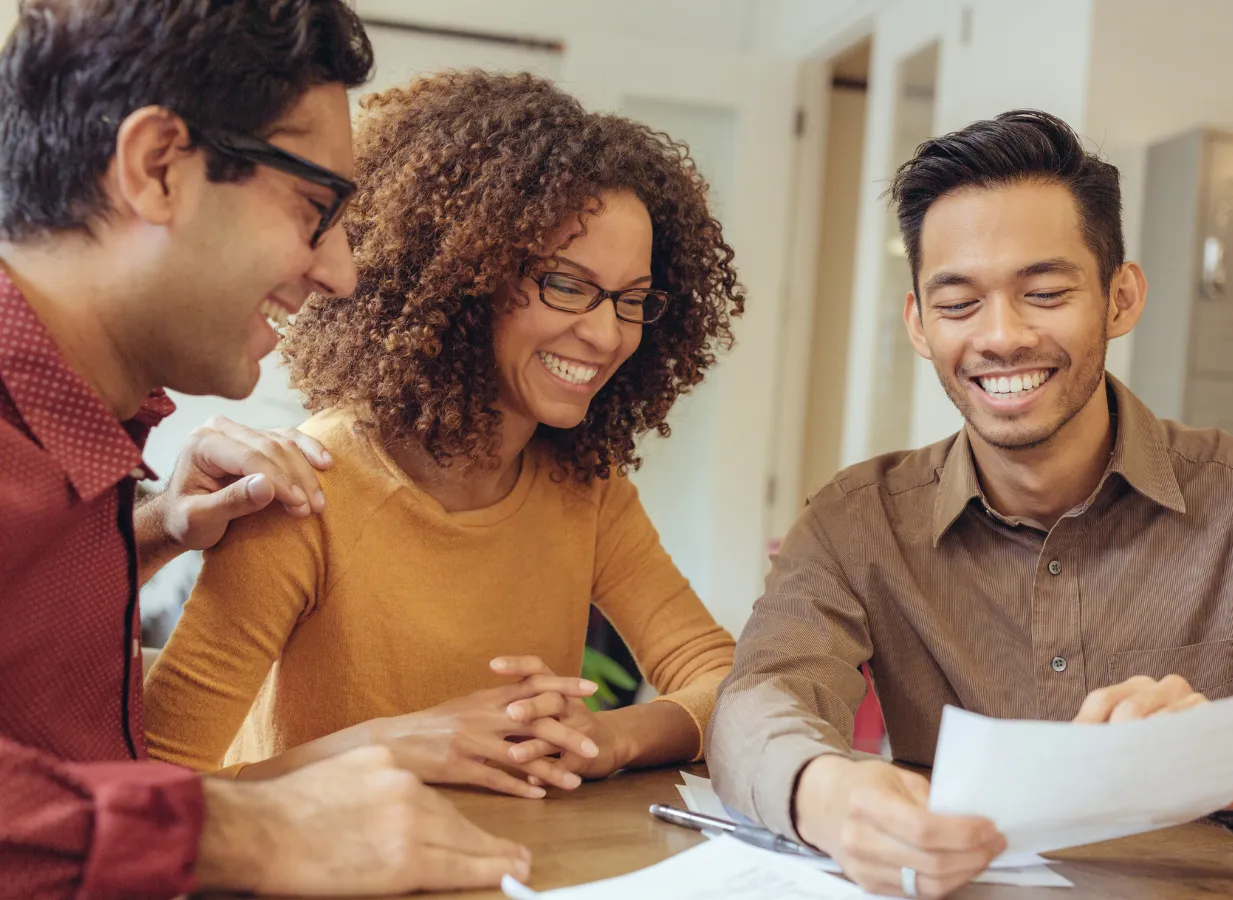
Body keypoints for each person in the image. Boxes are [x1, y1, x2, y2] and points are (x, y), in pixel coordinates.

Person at [706, 109, 1233, 898]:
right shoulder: (855, 522)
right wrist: (821, 790)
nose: (1000, 337)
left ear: (1122, 297)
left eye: (1042, 291)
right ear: (919, 325)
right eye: (959, 303)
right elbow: (756, 702)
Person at [0, 2, 533, 897]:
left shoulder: (78, 435)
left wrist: (150, 530)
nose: (340, 273)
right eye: (315, 208)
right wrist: (241, 831)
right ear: (158, 167)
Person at [142, 70, 739, 796]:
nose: (608, 332)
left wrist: (607, 736)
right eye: (568, 285)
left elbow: (722, 680)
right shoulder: (306, 488)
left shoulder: (586, 492)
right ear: (466, 275)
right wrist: (383, 752)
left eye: (634, 299)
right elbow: (156, 787)